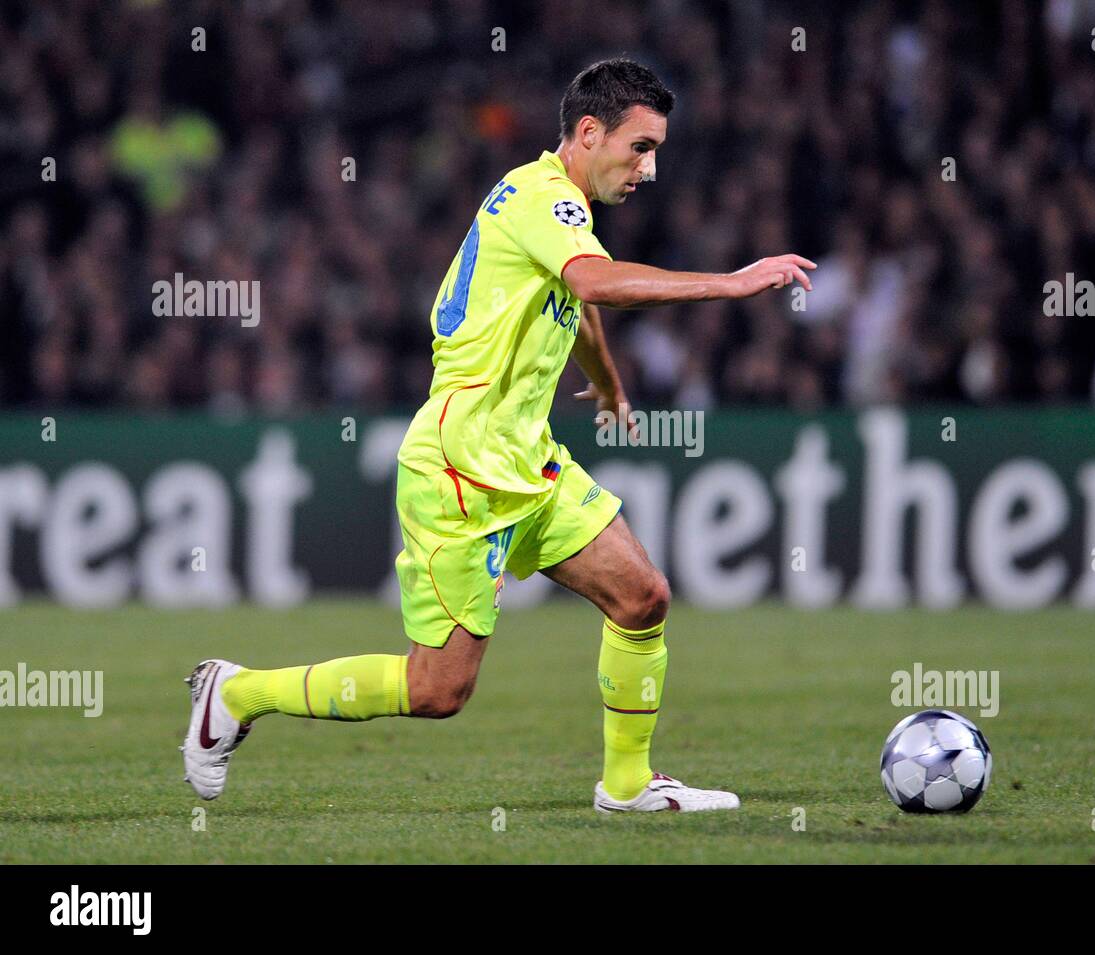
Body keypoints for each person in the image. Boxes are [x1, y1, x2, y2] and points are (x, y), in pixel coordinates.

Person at [182, 58, 815, 813]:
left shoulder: (564, 212)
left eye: (657, 150)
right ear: (588, 132)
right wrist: (733, 281)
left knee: (642, 597)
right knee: (437, 690)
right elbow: (592, 283)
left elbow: (577, 305)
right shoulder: (540, 196)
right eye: (641, 147)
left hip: (527, 457)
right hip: (462, 465)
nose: (651, 168)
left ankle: (627, 785)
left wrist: (607, 383)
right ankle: (238, 692)